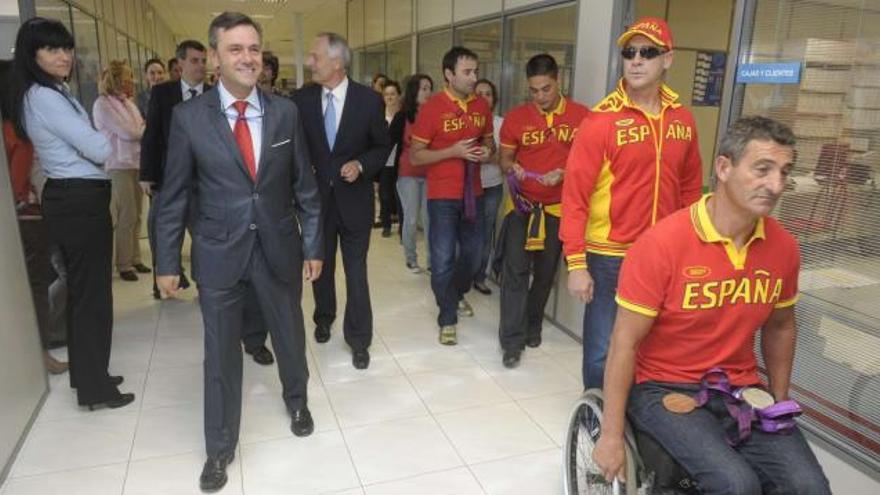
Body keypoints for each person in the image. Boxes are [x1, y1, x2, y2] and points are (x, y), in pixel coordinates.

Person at [592, 117, 832, 495]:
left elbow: (781, 326)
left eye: (785, 172)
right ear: (723, 167)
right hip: (661, 386)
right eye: (762, 170)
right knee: (736, 485)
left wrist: (779, 403)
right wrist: (609, 434)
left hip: (739, 387)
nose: (776, 185)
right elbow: (624, 343)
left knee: (810, 487)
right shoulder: (662, 245)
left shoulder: (783, 247)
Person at [154, 12, 323, 492]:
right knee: (219, 353)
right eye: (235, 49)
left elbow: (305, 187)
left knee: (289, 333)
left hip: (277, 246)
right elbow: (174, 196)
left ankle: (297, 400)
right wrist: (167, 262)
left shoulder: (286, 112)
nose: (247, 58)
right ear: (213, 57)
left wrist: (313, 244)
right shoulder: (189, 118)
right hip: (218, 252)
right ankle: (219, 447)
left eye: (253, 48)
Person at [561, 17, 703, 389]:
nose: (636, 60)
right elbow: (574, 196)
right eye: (629, 52)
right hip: (610, 256)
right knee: (602, 345)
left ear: (667, 59)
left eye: (647, 52)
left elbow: (690, 191)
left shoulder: (683, 120)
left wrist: (695, 247)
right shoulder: (601, 121)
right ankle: (596, 417)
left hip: (665, 255)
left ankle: (638, 414)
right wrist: (576, 264)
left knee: (655, 343)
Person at [10, 17, 134, 409]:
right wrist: (98, 143)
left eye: (65, 48)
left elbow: (95, 145)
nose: (63, 56)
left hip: (77, 196)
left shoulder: (54, 92)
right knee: (91, 296)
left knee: (87, 294)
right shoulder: (43, 97)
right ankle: (96, 388)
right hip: (77, 199)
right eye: (52, 49)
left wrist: (96, 143)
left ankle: (89, 374)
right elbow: (100, 149)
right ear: (32, 55)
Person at [292, 32, 389, 369]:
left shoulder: (368, 101)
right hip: (316, 203)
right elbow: (296, 149)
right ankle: (323, 317)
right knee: (321, 265)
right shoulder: (301, 100)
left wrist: (362, 164)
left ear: (337, 62)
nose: (309, 62)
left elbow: (382, 146)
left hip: (355, 202)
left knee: (356, 272)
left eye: (314, 56)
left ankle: (359, 338)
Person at [497, 54, 590, 368]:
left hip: (557, 210)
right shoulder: (516, 117)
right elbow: (505, 159)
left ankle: (533, 324)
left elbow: (591, 163)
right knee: (515, 272)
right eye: (534, 91)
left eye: (546, 89)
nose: (540, 97)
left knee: (546, 273)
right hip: (521, 206)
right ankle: (511, 340)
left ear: (558, 80)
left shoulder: (581, 117)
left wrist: (565, 172)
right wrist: (515, 168)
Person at [410, 46, 494, 345]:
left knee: (473, 257)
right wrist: (453, 152)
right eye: (467, 72)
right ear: (449, 74)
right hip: (442, 195)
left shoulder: (481, 107)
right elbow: (416, 157)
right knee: (444, 259)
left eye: (475, 71)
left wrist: (487, 151)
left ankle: (455, 293)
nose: (474, 78)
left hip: (474, 193)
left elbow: (489, 143)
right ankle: (447, 316)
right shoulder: (432, 108)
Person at [1, 59, 68, 375]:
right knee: (39, 284)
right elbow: (16, 181)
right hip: (31, 218)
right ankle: (40, 352)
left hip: (26, 217)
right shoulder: (17, 130)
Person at [141, 40, 209, 299]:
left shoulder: (215, 94)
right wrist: (146, 174)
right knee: (164, 232)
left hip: (205, 182)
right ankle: (165, 283)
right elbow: (152, 136)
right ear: (179, 63)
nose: (200, 66)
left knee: (203, 237)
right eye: (194, 60)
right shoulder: (163, 93)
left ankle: (206, 284)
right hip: (170, 179)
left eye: (203, 61)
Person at [93, 60, 149, 282]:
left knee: (136, 215)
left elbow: (139, 128)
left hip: (135, 163)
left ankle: (135, 258)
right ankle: (123, 263)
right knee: (125, 215)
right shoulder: (103, 104)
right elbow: (129, 133)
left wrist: (141, 128)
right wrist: (142, 128)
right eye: (127, 76)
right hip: (117, 165)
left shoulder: (128, 103)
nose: (131, 80)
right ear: (116, 79)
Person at [396, 73, 433, 273]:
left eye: (429, 88)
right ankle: (411, 258)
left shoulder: (435, 115)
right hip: (408, 173)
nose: (428, 92)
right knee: (411, 217)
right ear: (414, 91)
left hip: (430, 174)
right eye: (424, 88)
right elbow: (390, 144)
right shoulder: (403, 116)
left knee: (429, 218)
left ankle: (432, 261)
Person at [472, 78, 503, 295]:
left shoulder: (502, 123)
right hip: (465, 187)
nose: (484, 97)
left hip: (492, 186)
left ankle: (480, 276)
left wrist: (488, 156)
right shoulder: (464, 120)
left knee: (485, 233)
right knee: (464, 233)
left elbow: (507, 158)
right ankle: (462, 273)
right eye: (479, 93)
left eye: (488, 93)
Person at [379, 80, 403, 238]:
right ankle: (386, 224)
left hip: (401, 161)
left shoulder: (404, 115)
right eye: (386, 94)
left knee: (401, 195)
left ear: (399, 96)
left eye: (393, 94)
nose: (389, 97)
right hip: (384, 161)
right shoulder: (378, 114)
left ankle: (403, 227)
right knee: (385, 194)